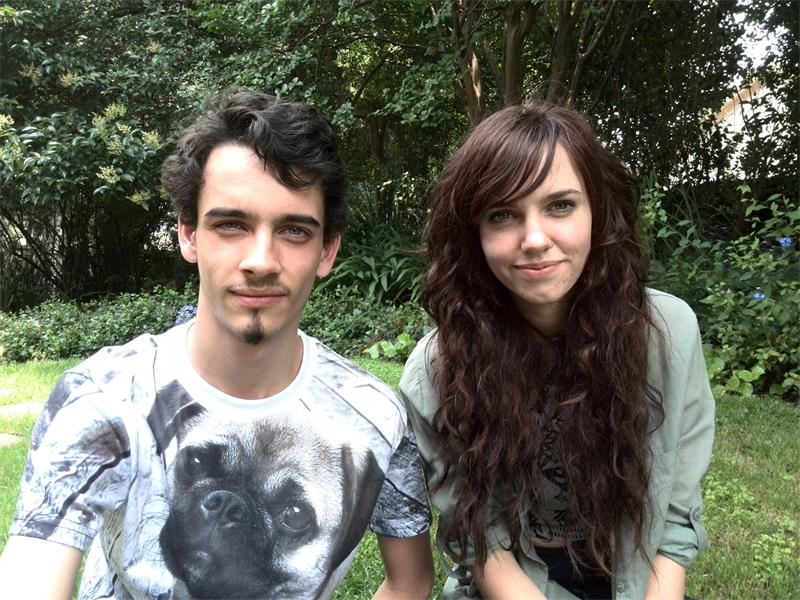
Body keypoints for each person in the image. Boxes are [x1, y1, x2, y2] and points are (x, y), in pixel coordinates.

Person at [0, 91, 434, 600]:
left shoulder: (375, 419)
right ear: (188, 234)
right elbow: (31, 574)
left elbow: (410, 582)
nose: (261, 260)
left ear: (327, 251)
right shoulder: (105, 397)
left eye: (294, 231)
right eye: (231, 225)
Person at [400, 103, 714, 599]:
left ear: (597, 212)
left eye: (560, 206)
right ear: (474, 234)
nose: (534, 239)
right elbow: (482, 543)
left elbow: (673, 523)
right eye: (503, 215)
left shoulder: (667, 334)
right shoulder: (437, 369)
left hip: (632, 574)